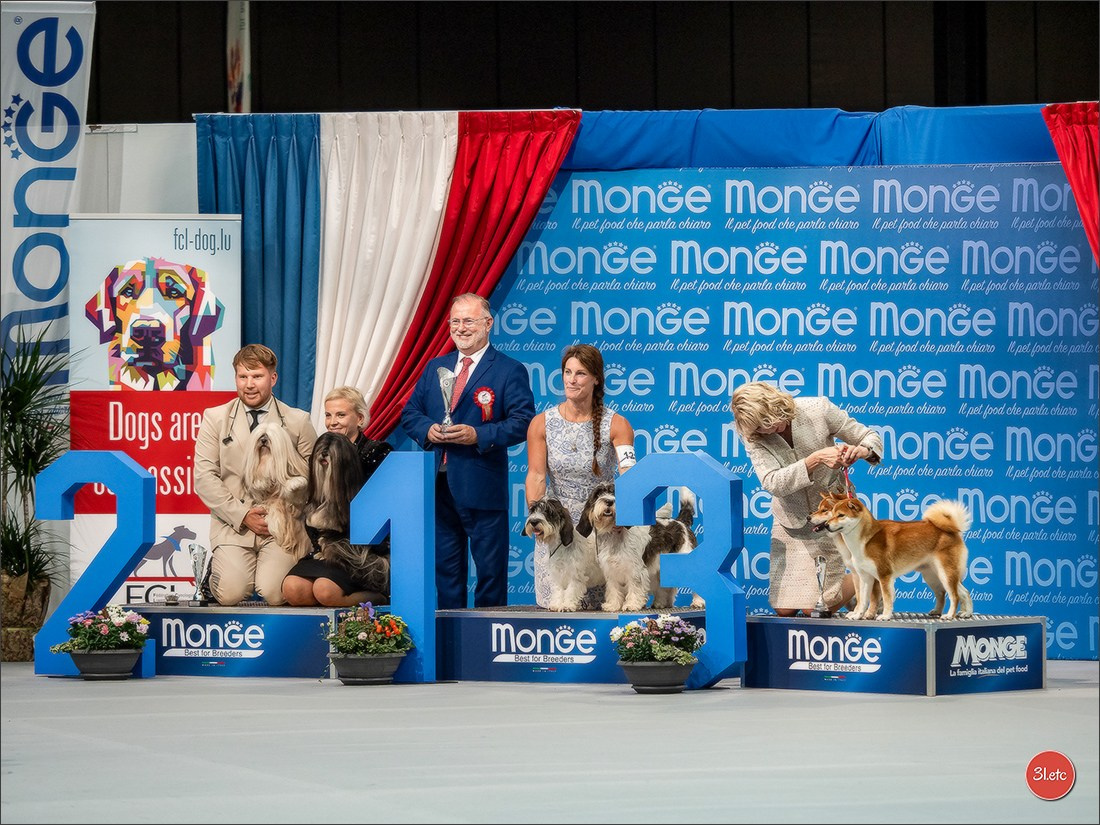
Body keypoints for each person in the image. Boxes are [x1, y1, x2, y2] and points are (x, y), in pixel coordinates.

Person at [401, 293, 535, 609]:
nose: (461, 328)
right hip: (438, 485)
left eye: (469, 321)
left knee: (490, 574)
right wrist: (428, 430)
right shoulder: (435, 366)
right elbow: (410, 413)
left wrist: (478, 434)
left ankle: (488, 636)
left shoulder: (509, 369)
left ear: (488, 324)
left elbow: (523, 422)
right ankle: (449, 636)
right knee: (446, 574)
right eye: (455, 321)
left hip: (482, 485)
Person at [730, 381, 883, 617]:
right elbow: (772, 482)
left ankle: (867, 578)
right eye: (760, 428)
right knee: (784, 610)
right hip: (791, 522)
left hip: (831, 517)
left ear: (776, 405)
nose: (768, 431)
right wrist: (815, 459)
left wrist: (861, 451)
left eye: (768, 422)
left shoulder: (818, 408)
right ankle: (860, 585)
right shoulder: (753, 436)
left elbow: (869, 436)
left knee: (816, 608)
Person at [194, 344, 317, 606]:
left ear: (273, 378)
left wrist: (286, 503)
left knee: (275, 593)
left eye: (257, 376)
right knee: (231, 594)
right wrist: (242, 515)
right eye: (243, 377)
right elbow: (204, 477)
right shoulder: (215, 418)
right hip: (233, 525)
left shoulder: (298, 421)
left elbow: (315, 477)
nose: (249, 384)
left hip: (282, 526)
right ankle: (215, 576)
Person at [524, 344, 637, 609]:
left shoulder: (618, 424)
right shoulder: (541, 423)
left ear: (596, 379)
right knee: (557, 608)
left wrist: (625, 517)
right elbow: (536, 476)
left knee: (604, 611)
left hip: (601, 528)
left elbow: (629, 476)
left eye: (581, 373)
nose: (571, 380)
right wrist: (537, 520)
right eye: (567, 372)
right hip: (557, 528)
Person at [282, 386, 393, 607]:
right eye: (328, 415)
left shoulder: (377, 453)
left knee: (326, 591)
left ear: (360, 419)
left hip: (360, 552)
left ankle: (378, 599)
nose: (333, 422)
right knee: (293, 589)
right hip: (326, 549)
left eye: (341, 415)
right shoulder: (321, 451)